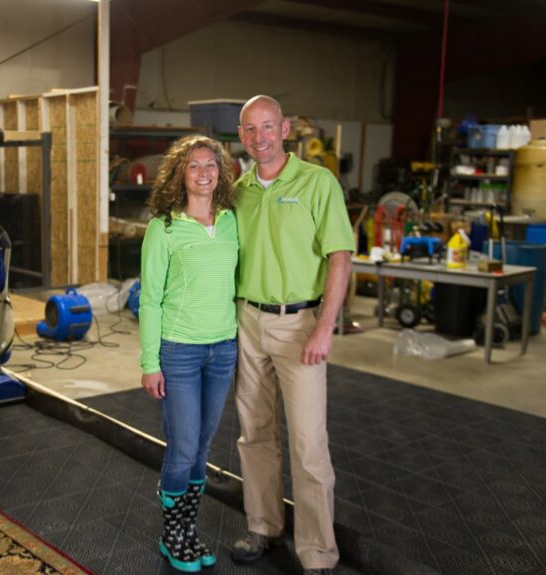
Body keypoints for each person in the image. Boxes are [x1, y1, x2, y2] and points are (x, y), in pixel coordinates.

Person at [228, 95, 354, 575]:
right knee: (254, 433)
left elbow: (340, 256)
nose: (258, 138)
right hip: (248, 321)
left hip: (300, 324)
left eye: (267, 127)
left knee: (307, 442)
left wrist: (325, 325)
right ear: (241, 136)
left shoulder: (317, 182)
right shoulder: (239, 191)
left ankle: (318, 553)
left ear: (284, 130)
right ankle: (263, 526)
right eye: (249, 130)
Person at [139, 135, 239, 573]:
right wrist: (149, 362)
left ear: (221, 172)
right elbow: (149, 299)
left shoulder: (233, 220)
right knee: (181, 448)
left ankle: (188, 531)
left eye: (210, 165)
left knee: (201, 447)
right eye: (194, 166)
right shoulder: (163, 227)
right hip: (178, 352)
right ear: (180, 175)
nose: (203, 173)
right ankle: (171, 534)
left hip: (222, 350)